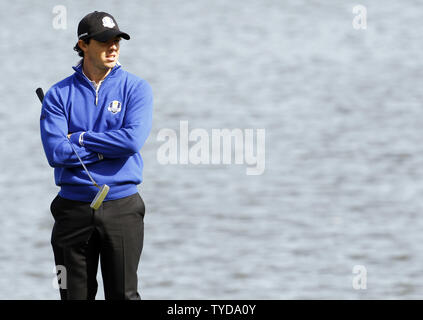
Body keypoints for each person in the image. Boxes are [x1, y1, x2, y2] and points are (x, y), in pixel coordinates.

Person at [39, 11, 153, 300]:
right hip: (73, 210)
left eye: (116, 40)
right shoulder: (57, 95)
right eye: (104, 41)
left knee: (124, 296)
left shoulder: (136, 89)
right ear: (84, 44)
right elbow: (56, 152)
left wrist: (81, 138)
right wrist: (105, 151)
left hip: (123, 207)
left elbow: (130, 141)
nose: (113, 47)